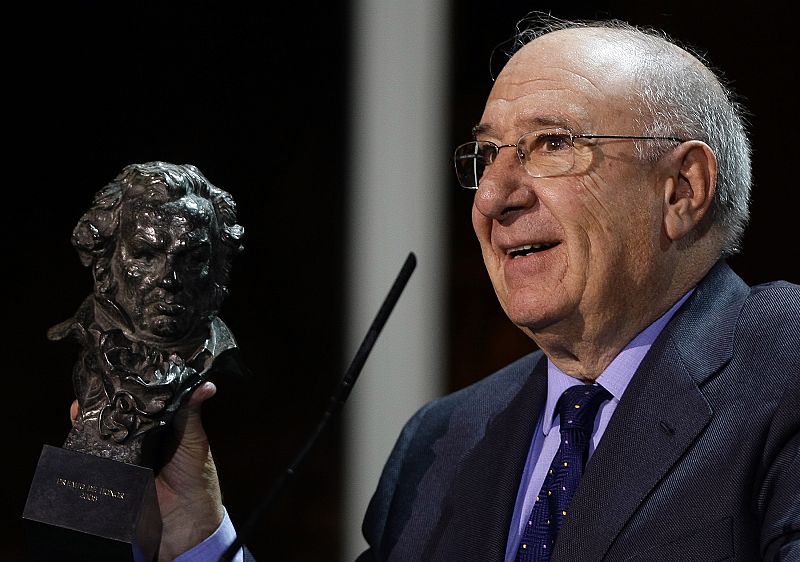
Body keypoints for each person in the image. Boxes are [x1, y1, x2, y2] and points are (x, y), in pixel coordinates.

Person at [354, 13, 799, 562]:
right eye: (488, 154)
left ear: (682, 189)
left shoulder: (786, 366)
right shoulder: (441, 442)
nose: (491, 198)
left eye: (551, 144)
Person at [56, 162, 254, 561]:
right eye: (145, 254)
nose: (169, 279)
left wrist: (197, 534)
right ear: (104, 258)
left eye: (192, 257)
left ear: (218, 264)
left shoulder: (214, 353)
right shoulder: (87, 338)